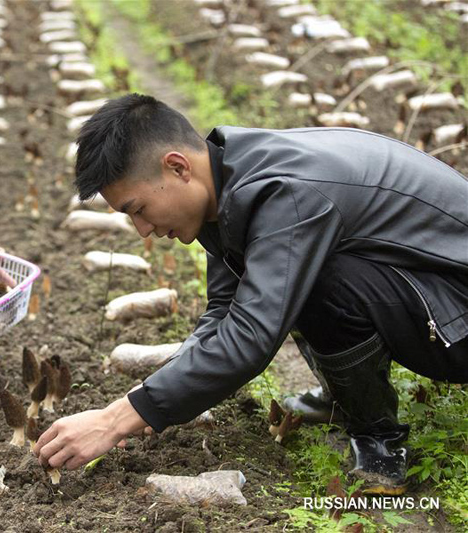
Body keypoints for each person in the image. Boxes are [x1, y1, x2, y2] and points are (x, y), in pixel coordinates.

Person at [34, 93, 468, 495]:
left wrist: (115, 420)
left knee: (315, 278)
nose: (142, 230)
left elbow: (251, 335)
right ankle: (347, 390)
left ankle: (377, 438)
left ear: (178, 167)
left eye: (139, 210)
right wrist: (155, 398)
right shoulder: (224, 180)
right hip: (429, 293)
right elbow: (225, 311)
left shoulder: (286, 194)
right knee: (291, 275)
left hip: (458, 313)